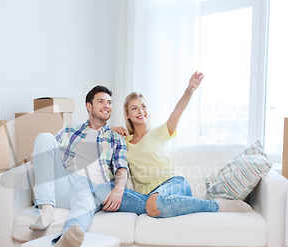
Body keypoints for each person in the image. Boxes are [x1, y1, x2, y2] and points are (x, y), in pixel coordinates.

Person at [95, 71, 252, 217]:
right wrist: (108, 129)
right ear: (127, 114)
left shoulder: (159, 132)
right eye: (134, 108)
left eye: (143, 106)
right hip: (148, 195)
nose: (140, 111)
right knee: (102, 191)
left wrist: (189, 89)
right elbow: (92, 138)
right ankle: (159, 207)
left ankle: (214, 206)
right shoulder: (124, 142)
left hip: (174, 184)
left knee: (156, 202)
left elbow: (177, 113)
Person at [29, 85, 130, 247]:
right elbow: (40, 154)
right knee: (44, 137)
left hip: (90, 189)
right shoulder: (70, 130)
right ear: (89, 106)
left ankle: (64, 240)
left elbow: (122, 167)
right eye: (101, 101)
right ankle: (47, 208)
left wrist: (118, 189)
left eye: (109, 102)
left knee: (85, 205)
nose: (107, 105)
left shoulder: (115, 139)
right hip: (64, 181)